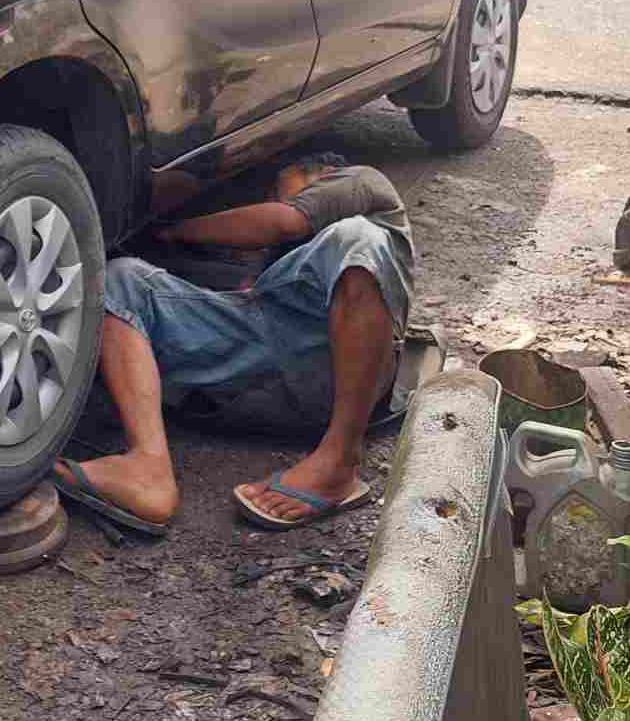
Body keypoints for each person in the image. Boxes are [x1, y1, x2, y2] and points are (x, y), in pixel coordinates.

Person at [54, 151, 414, 535]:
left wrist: (170, 230)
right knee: (120, 280)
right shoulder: (282, 267)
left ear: (324, 173)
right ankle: (147, 467)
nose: (278, 200)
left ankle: (339, 457)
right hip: (267, 366)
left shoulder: (363, 180)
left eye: (283, 189)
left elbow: (284, 221)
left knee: (359, 240)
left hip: (344, 359)